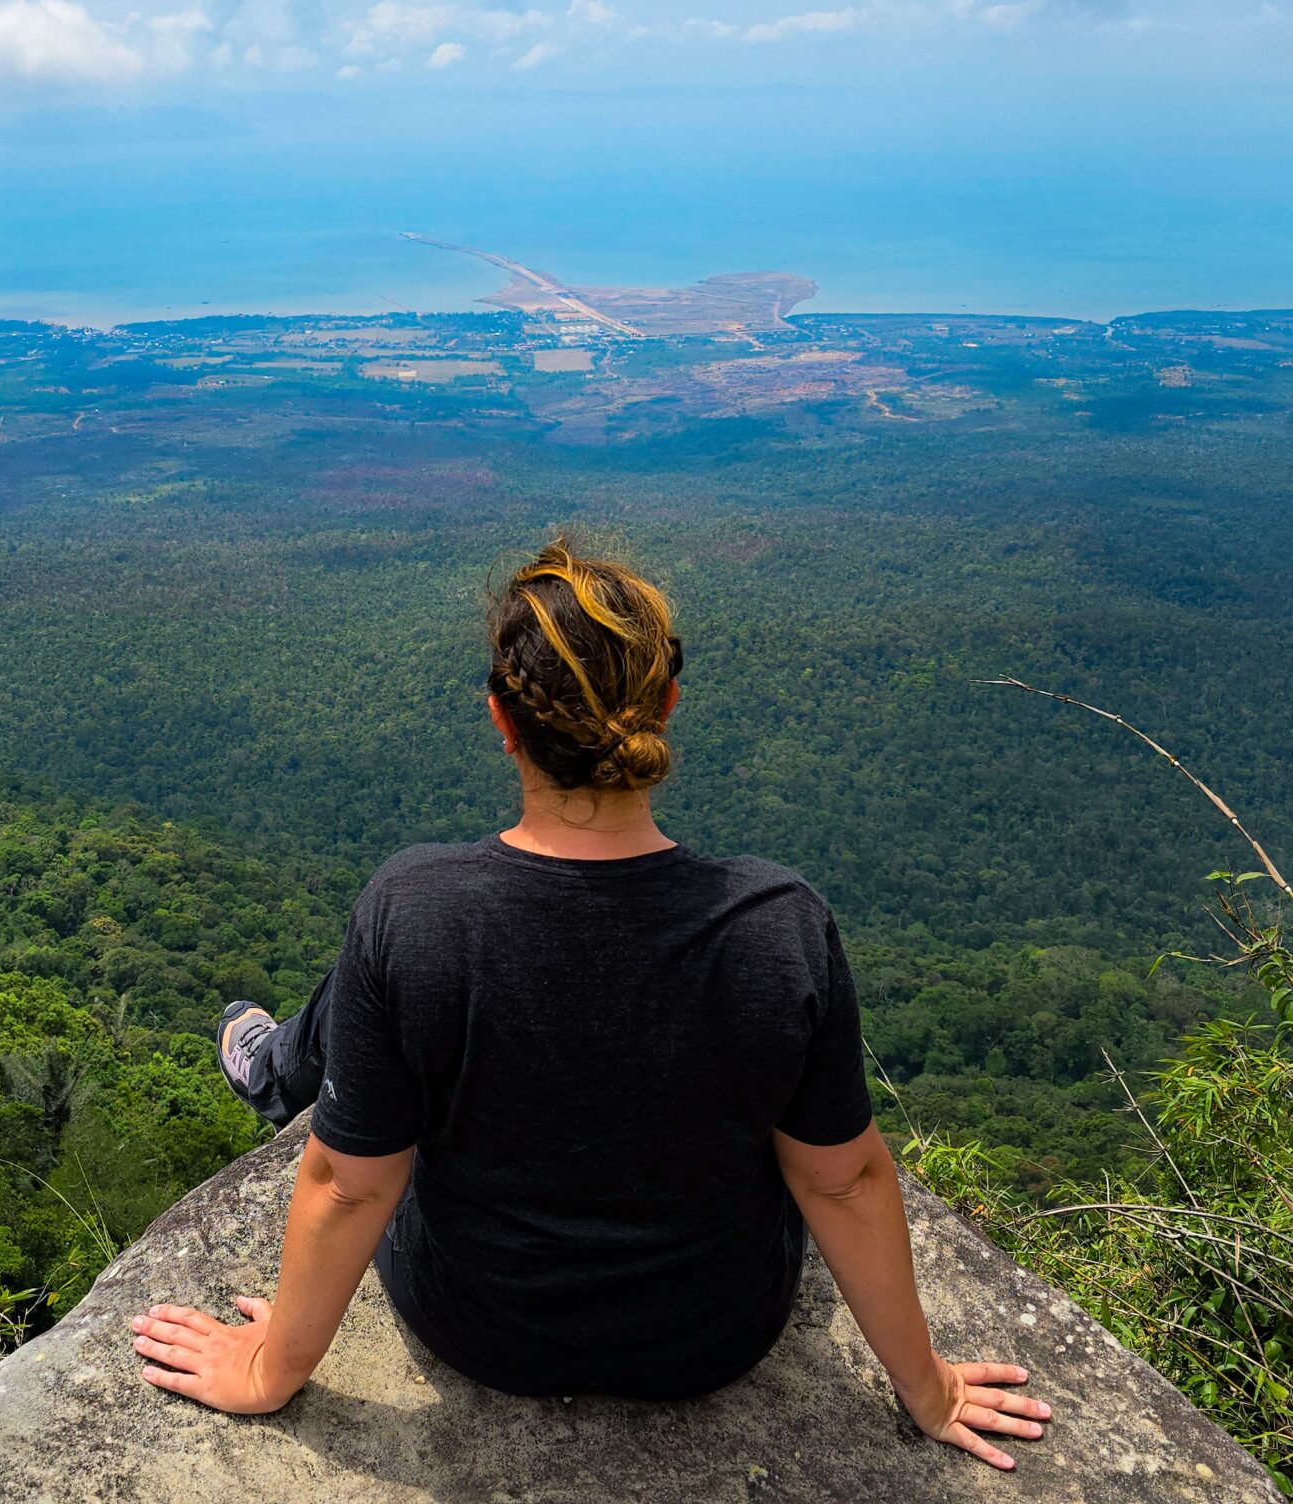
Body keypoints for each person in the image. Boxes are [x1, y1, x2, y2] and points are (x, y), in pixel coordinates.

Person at [126, 538, 1051, 1469]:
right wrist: (926, 1387)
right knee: (402, 959)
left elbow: (350, 1181)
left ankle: (284, 1065)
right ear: (667, 707)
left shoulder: (415, 906)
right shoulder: (778, 924)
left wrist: (271, 1366)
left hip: (482, 1330)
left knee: (396, 957)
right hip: (712, 1341)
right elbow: (840, 1179)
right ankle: (290, 1057)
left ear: (502, 719)